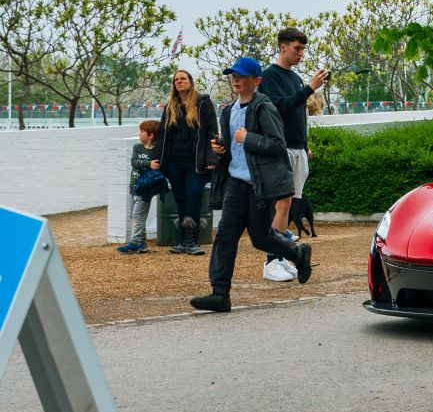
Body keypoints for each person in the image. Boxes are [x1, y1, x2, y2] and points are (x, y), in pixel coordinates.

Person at [190, 57, 312, 314]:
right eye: (233, 75)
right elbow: (232, 146)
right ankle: (220, 294)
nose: (235, 80)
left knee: (261, 238)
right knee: (225, 237)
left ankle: (299, 255)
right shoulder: (229, 110)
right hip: (235, 183)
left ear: (256, 81)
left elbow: (278, 144)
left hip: (259, 185)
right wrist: (220, 147)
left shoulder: (264, 107)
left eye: (241, 76)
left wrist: (249, 139)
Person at [260, 27, 328, 283]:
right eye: (297, 48)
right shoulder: (270, 76)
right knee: (280, 205)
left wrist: (304, 143)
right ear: (282, 47)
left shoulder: (295, 77)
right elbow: (279, 108)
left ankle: (281, 256)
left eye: (302, 49)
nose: (300, 53)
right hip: (281, 148)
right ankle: (270, 261)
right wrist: (310, 87)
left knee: (290, 206)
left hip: (298, 148)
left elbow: (300, 114)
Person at [149, 69, 218, 255]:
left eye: (183, 78)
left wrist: (212, 158)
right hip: (174, 162)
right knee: (180, 199)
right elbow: (163, 134)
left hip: (196, 162)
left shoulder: (203, 103)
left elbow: (212, 131)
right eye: (176, 80)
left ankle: (193, 240)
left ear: (190, 81)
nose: (179, 82)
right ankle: (183, 239)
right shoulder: (171, 106)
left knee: (194, 195)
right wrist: (155, 157)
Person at [118, 120, 163, 254]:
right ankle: (142, 243)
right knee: (135, 215)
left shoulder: (157, 151)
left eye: (142, 132)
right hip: (133, 188)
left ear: (150, 135)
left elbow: (157, 168)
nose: (139, 134)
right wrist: (148, 163)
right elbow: (134, 162)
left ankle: (133, 244)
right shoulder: (137, 147)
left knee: (138, 216)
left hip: (145, 191)